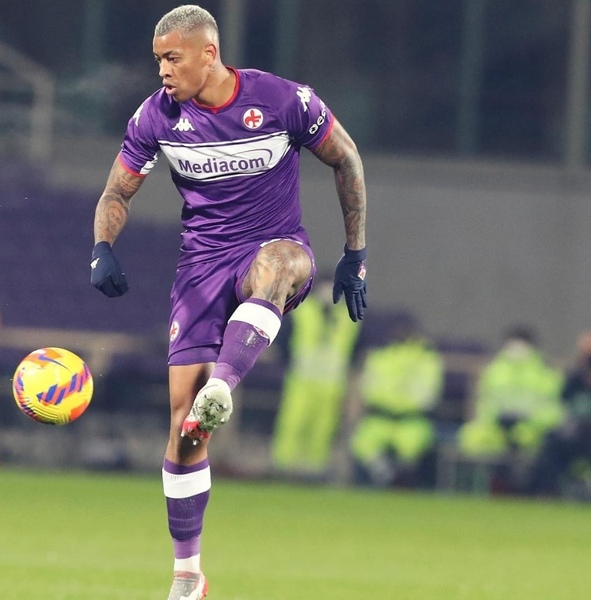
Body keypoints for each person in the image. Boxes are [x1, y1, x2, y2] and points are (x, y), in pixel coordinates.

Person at [89, 5, 367, 599]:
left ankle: (224, 385)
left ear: (208, 53)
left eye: (173, 57)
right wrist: (102, 248)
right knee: (185, 432)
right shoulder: (155, 117)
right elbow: (117, 189)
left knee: (279, 266)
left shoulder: (284, 100)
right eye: (158, 59)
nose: (163, 70)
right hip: (200, 269)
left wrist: (354, 252)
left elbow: (346, 158)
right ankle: (188, 575)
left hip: (273, 244)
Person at [271, 278, 362, 477]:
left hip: (331, 385)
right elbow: (282, 342)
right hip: (302, 381)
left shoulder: (348, 317)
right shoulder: (302, 311)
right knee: (293, 423)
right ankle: (283, 469)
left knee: (322, 429)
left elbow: (354, 353)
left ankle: (314, 472)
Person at [458, 326, 564, 492]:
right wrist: (496, 420)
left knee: (543, 446)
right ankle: (477, 489)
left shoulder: (545, 372)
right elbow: (484, 403)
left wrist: (530, 421)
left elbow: (553, 409)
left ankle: (529, 489)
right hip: (496, 428)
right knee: (471, 437)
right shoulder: (494, 370)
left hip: (531, 429)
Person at [350, 319, 444, 487]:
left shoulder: (426, 360)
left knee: (412, 445)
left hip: (412, 419)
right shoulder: (380, 358)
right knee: (363, 442)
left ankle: (403, 477)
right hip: (381, 417)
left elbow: (428, 396)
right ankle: (388, 476)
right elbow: (367, 389)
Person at [529, 332, 591, 498]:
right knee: (551, 446)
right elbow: (561, 403)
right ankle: (550, 492)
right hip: (576, 433)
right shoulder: (574, 380)